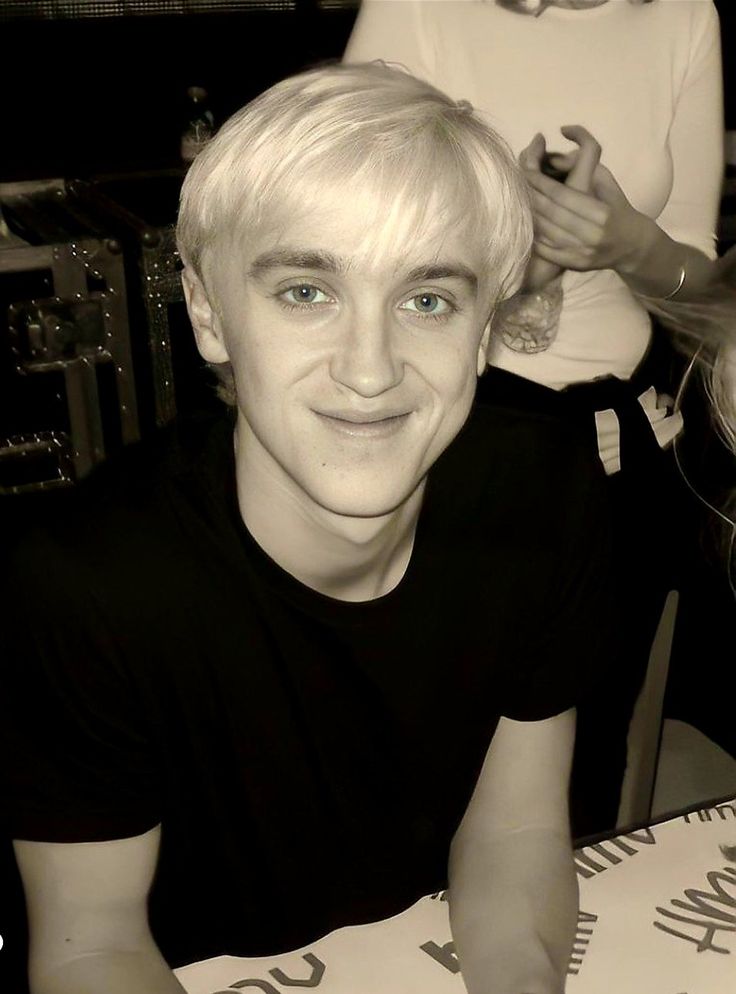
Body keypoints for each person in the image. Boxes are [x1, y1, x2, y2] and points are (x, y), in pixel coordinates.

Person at [0, 62, 618, 994]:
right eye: (306, 293)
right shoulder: (83, 585)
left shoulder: (541, 489)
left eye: (426, 300)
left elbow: (518, 830)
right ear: (208, 313)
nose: (370, 370)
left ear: (485, 321)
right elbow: (94, 944)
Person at [345, 0, 725, 834]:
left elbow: (699, 281)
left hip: (619, 446)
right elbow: (346, 245)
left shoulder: (685, 14)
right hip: (451, 437)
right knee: (428, 752)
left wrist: (629, 245)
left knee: (583, 762)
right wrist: (519, 265)